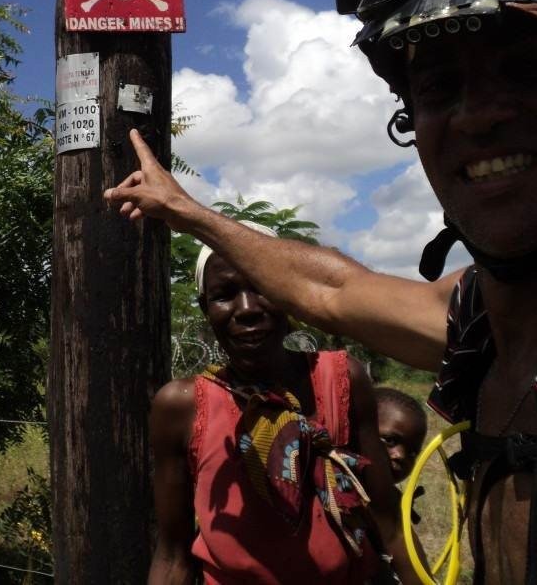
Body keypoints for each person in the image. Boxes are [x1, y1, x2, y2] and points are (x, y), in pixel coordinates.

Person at [107, 0, 537, 584]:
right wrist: (190, 214)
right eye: (439, 86)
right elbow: (331, 290)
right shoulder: (480, 322)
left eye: (530, 70)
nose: (479, 114)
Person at [149, 223, 417, 584]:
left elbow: (389, 522)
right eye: (225, 294)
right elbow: (172, 555)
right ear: (204, 309)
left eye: (262, 287)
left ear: (289, 295)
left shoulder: (341, 381)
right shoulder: (182, 407)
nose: (246, 309)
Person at [374, 387, 427, 485]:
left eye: (412, 453)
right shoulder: (337, 488)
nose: (400, 455)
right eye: (389, 440)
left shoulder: (397, 499)